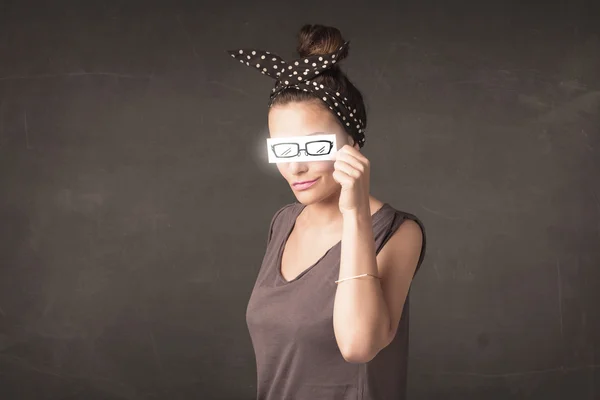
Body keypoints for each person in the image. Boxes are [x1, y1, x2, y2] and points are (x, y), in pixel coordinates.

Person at [228, 24, 426, 400]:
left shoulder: (398, 232)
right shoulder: (284, 222)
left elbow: (357, 345)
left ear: (352, 142)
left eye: (313, 147)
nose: (296, 168)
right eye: (283, 150)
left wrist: (354, 216)